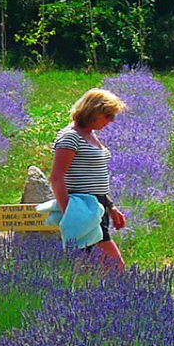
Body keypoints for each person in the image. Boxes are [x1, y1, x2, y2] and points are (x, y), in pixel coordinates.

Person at [50, 88, 128, 270]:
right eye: (108, 115)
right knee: (115, 268)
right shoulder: (70, 137)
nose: (111, 121)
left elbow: (95, 177)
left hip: (96, 206)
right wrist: (70, 213)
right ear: (94, 111)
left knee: (94, 268)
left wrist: (111, 206)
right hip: (82, 206)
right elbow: (56, 177)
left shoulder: (90, 135)